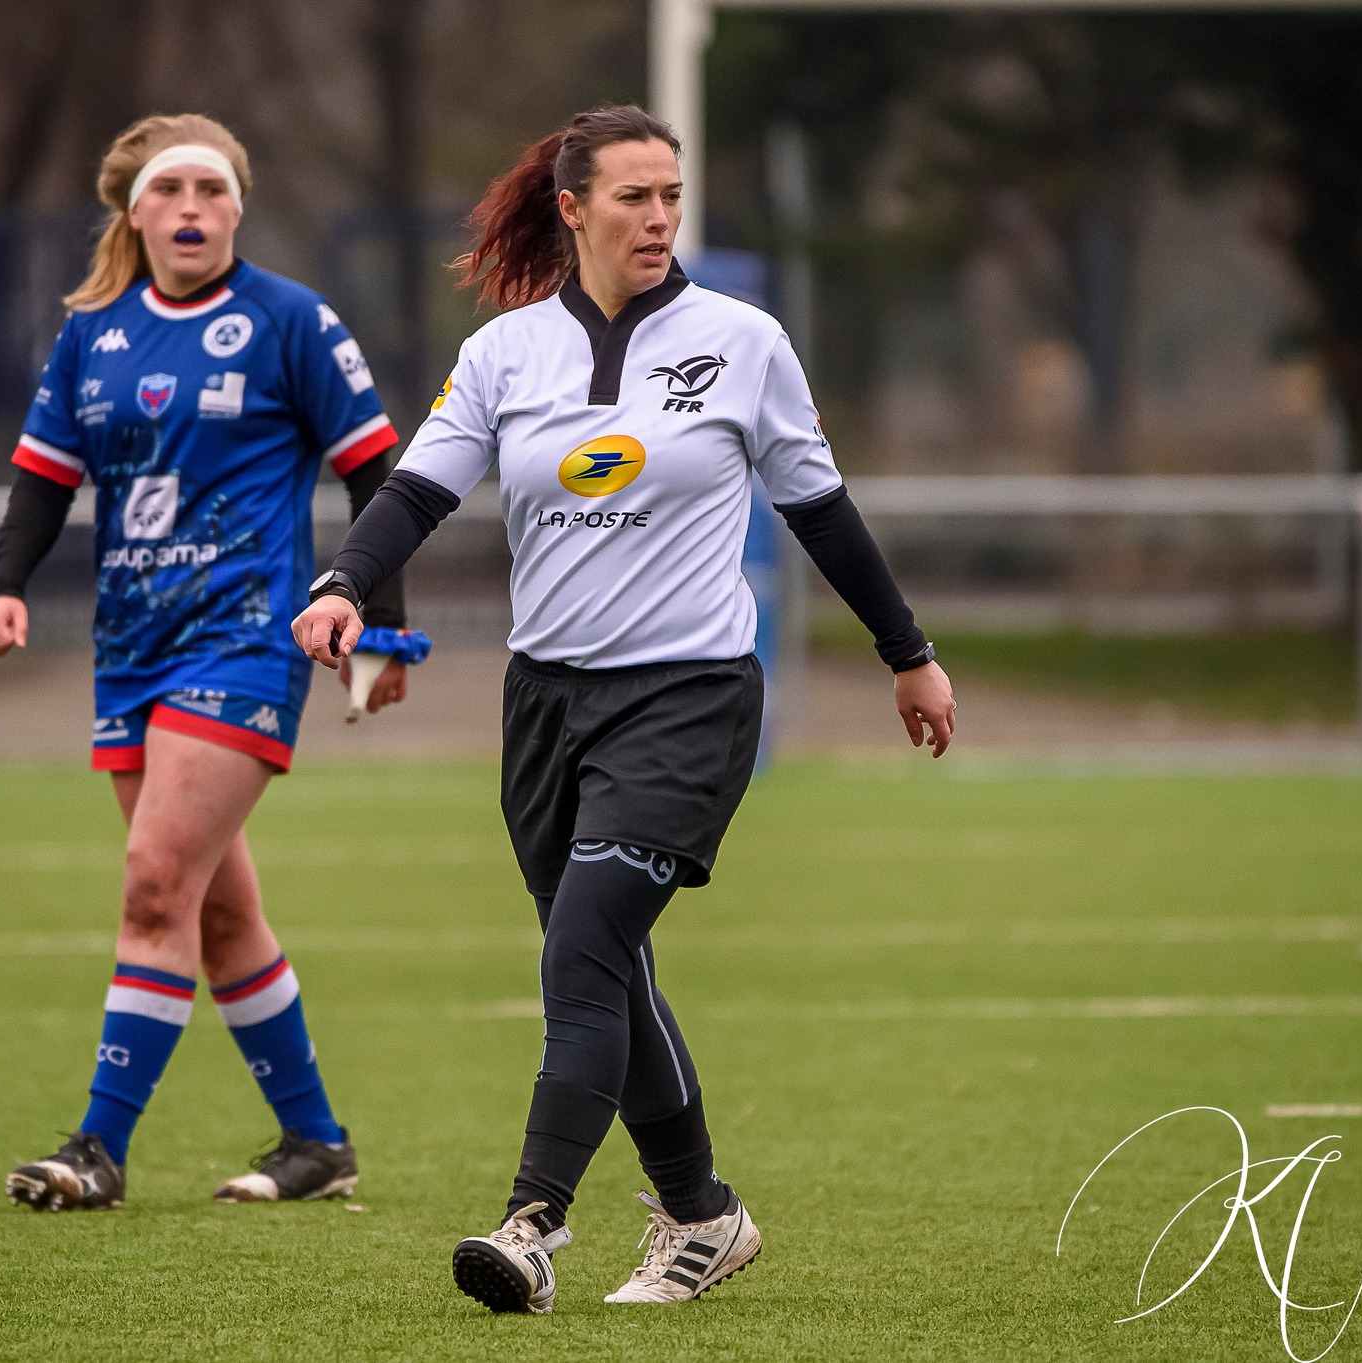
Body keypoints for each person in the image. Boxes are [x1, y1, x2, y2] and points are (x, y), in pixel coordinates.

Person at [292, 104, 956, 1313]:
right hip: (543, 706)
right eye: (633, 198)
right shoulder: (505, 353)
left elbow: (820, 510)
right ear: (572, 206)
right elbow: (417, 490)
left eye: (671, 196)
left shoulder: (742, 341)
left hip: (690, 698)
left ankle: (530, 1223)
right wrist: (341, 582)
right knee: (609, 965)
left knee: (583, 949)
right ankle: (702, 1215)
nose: (658, 219)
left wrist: (905, 652)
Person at [0, 113, 414, 1212]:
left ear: (235, 209)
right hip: (130, 648)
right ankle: (316, 1144)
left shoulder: (288, 321)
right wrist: (4, 585)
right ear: (135, 211)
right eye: (170, 190)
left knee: (155, 879)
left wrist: (382, 623)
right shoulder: (92, 334)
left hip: (245, 640)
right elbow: (41, 477)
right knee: (211, 912)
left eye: (212, 192)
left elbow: (378, 472)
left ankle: (98, 1147)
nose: (192, 209)